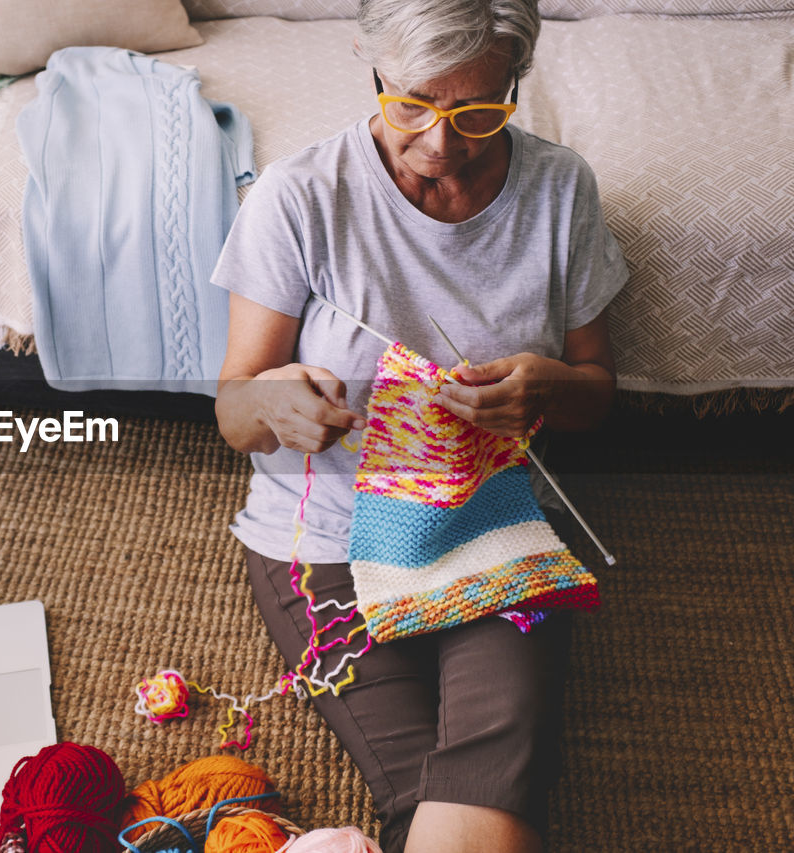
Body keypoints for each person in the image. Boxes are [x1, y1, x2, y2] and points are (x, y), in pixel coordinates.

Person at [211, 1, 628, 851]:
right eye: (412, 105)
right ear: (370, 65)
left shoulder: (559, 191)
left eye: (478, 111)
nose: (441, 143)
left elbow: (596, 393)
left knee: (493, 768)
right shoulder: (298, 198)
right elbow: (233, 412)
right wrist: (274, 401)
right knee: (425, 787)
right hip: (326, 539)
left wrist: (547, 389)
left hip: (491, 519)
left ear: (517, 82)